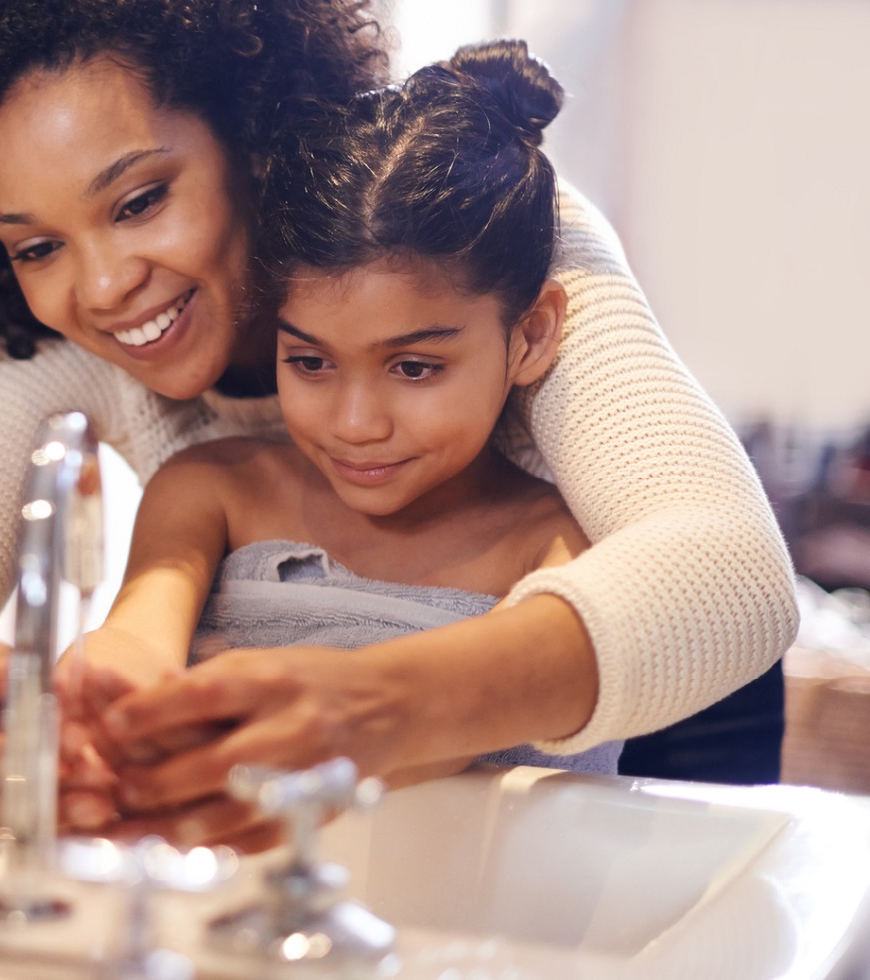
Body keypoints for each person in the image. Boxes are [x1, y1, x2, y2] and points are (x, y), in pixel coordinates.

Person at [0, 0, 794, 846]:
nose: (107, 283)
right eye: (36, 246)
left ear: (250, 131)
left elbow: (734, 573)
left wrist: (380, 704)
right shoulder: (64, 337)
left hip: (657, 703)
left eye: (140, 200)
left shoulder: (461, 219)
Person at [75, 42, 620, 840]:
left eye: (413, 365)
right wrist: (102, 697)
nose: (356, 422)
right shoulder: (211, 491)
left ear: (531, 333)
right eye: (311, 361)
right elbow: (136, 637)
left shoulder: (562, 543)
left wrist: (347, 725)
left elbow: (488, 720)